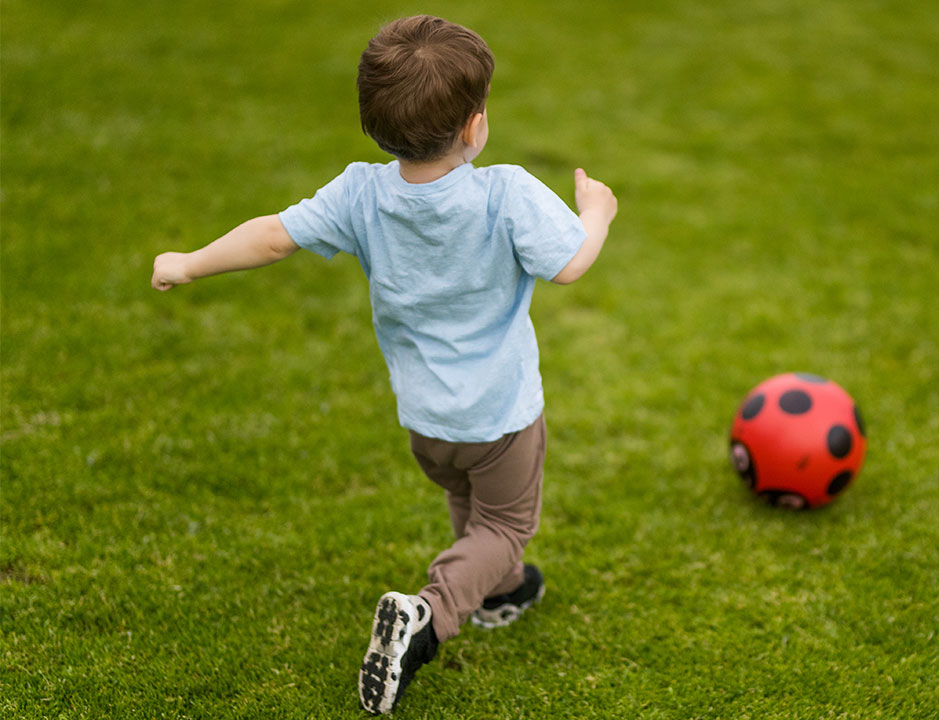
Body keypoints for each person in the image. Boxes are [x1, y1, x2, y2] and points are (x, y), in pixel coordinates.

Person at [150, 14, 617, 715]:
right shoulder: (505, 192)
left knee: (472, 508)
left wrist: (189, 262)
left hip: (426, 420)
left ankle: (502, 588)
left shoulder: (361, 193)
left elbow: (275, 238)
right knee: (505, 526)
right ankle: (430, 612)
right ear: (473, 128)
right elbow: (571, 265)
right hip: (500, 413)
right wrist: (596, 213)